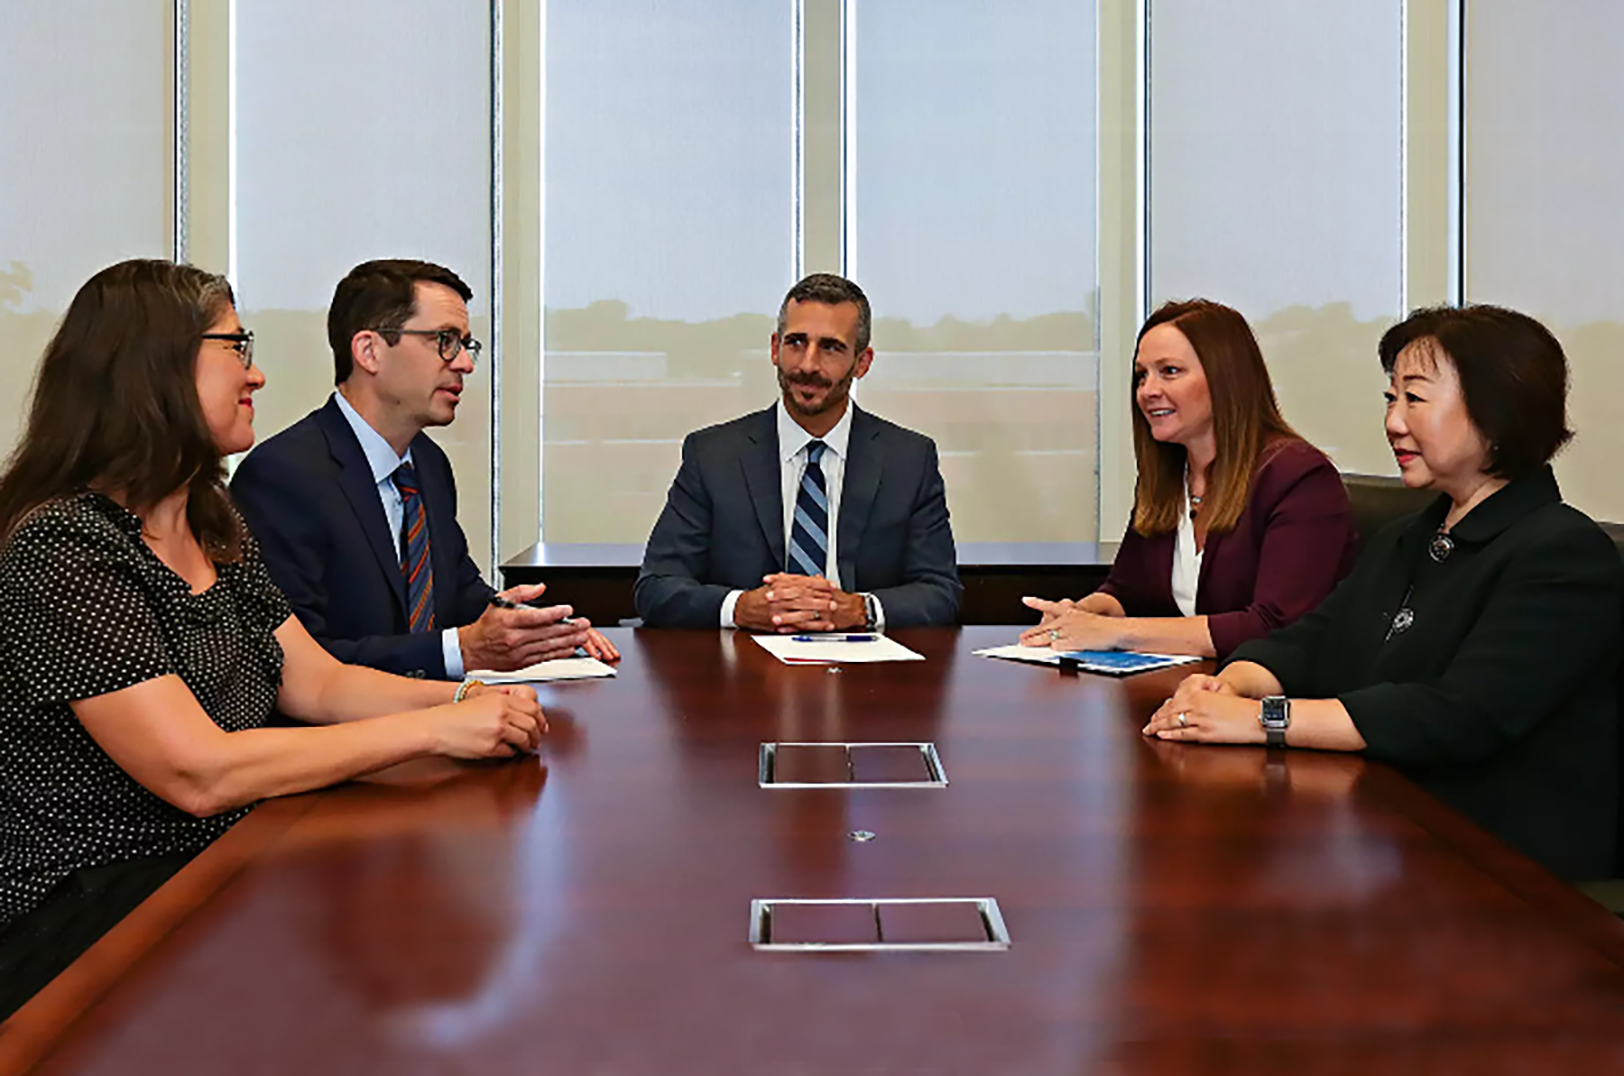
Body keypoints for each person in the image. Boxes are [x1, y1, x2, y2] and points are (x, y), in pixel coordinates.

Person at [0, 260, 548, 1020]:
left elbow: (318, 683)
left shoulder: (209, 519)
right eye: (236, 347)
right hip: (97, 910)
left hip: (223, 861)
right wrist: (440, 725)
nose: (257, 376)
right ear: (151, 368)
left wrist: (471, 695)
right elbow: (196, 772)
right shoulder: (65, 548)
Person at [1145, 304, 1622, 881]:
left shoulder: (1562, 553)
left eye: (1414, 399)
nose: (1394, 421)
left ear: (1498, 412)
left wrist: (1260, 719)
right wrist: (1227, 685)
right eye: (1390, 399)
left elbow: (1459, 716)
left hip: (1505, 873)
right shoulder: (1410, 537)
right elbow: (1310, 643)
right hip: (1387, 835)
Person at [232, 259, 618, 679]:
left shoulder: (428, 464)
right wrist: (462, 651)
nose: (465, 365)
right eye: (444, 340)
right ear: (369, 351)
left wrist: (540, 629)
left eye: (465, 346)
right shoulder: (283, 476)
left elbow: (459, 592)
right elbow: (292, 662)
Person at [1021, 299, 1356, 659]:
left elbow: (1276, 625)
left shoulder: (1299, 478)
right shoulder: (1167, 477)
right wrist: (1080, 616)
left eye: (1169, 371)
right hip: (1182, 691)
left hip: (1272, 702)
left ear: (1225, 379)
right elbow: (1125, 592)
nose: (1148, 391)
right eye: (1142, 375)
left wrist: (1115, 632)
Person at [635, 273, 961, 631]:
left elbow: (940, 593)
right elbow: (656, 588)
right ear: (775, 349)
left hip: (866, 675)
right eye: (796, 343)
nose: (807, 365)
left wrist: (859, 610)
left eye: (831, 347)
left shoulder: (909, 460)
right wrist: (741, 608)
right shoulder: (713, 456)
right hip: (744, 673)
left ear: (862, 362)